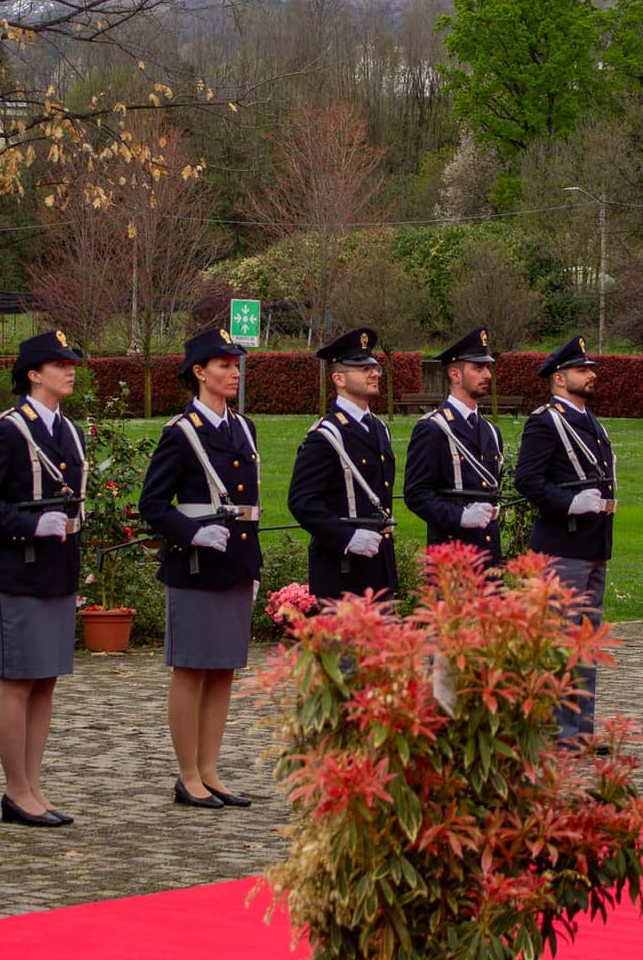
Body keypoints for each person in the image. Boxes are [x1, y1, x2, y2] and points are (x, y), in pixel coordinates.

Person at [0, 329, 89, 829]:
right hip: (20, 569)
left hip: (58, 568)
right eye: (60, 364)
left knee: (45, 681)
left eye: (71, 364)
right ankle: (15, 790)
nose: (69, 371)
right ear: (34, 375)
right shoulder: (9, 430)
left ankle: (33, 785)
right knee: (18, 681)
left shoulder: (69, 431)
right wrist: (29, 525)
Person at [137, 329, 263, 810]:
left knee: (224, 670)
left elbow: (250, 505)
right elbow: (152, 504)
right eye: (223, 365)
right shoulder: (181, 432)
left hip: (235, 561)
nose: (234, 372)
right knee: (191, 669)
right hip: (194, 564)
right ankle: (187, 774)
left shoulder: (244, 428)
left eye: (235, 364)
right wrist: (191, 533)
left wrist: (253, 565)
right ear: (199, 372)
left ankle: (210, 770)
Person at [513, 336, 616, 743]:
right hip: (562, 546)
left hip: (593, 545)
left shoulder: (590, 421)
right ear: (559, 378)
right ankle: (555, 731)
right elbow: (527, 479)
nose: (591, 375)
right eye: (581, 370)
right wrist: (570, 503)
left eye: (590, 369)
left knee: (585, 642)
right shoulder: (546, 422)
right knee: (560, 642)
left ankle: (578, 731)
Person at [287, 327, 400, 602]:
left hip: (379, 568)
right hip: (342, 572)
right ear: (338, 378)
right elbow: (302, 502)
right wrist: (347, 537)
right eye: (363, 369)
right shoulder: (326, 435)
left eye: (374, 367)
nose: (374, 373)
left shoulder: (379, 428)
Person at [402, 326, 504, 567]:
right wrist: (460, 516)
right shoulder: (433, 428)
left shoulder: (491, 431)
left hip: (488, 555)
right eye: (478, 368)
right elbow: (416, 494)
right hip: (451, 558)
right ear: (455, 374)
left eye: (487, 368)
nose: (487, 375)